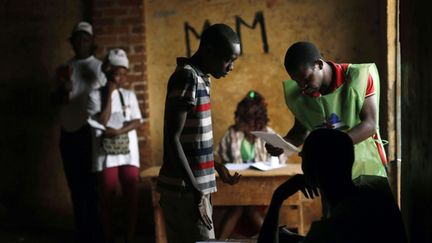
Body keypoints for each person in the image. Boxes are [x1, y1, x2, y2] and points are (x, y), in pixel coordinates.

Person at [266, 41, 390, 204]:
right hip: (331, 178)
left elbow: (370, 124)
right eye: (297, 82)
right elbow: (301, 131)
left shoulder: (359, 77)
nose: (302, 87)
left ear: (318, 64)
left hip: (367, 168)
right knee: (338, 225)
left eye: (306, 79)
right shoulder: (303, 94)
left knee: (371, 222)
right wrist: (283, 143)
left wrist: (328, 147)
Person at [156, 23, 242, 243]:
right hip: (184, 192)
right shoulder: (187, 77)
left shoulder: (203, 77)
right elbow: (172, 138)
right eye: (228, 60)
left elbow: (192, 141)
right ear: (209, 51)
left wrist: (218, 167)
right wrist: (196, 191)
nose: (231, 67)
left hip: (195, 190)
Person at [258, 128, 407, 243]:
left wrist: (278, 197)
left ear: (310, 170)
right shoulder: (377, 189)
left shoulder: (327, 230)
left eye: (303, 157)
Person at [51, 21, 105, 243]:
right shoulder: (64, 70)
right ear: (72, 42)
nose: (81, 42)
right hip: (69, 133)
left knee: (93, 187)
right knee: (76, 186)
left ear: (91, 41)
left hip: (92, 135)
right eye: (77, 38)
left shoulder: (101, 68)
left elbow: (108, 101)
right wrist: (61, 91)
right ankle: (83, 234)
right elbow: (53, 101)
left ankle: (98, 234)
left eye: (86, 38)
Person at [216, 90, 287, 239]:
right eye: (243, 121)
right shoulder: (232, 134)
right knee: (242, 202)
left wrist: (273, 159)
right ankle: (271, 239)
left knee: (245, 204)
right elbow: (222, 159)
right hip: (237, 189)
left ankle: (219, 240)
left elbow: (280, 162)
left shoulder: (268, 134)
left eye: (250, 122)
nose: (246, 126)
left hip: (262, 190)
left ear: (258, 121)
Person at [88, 49, 142, 243]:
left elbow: (137, 121)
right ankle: (109, 237)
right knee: (107, 197)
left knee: (131, 197)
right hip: (106, 154)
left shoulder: (129, 96)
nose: (119, 77)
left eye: (122, 72)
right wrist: (109, 92)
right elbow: (102, 119)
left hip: (128, 152)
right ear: (107, 71)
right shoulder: (95, 95)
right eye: (115, 73)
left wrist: (118, 131)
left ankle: (130, 237)